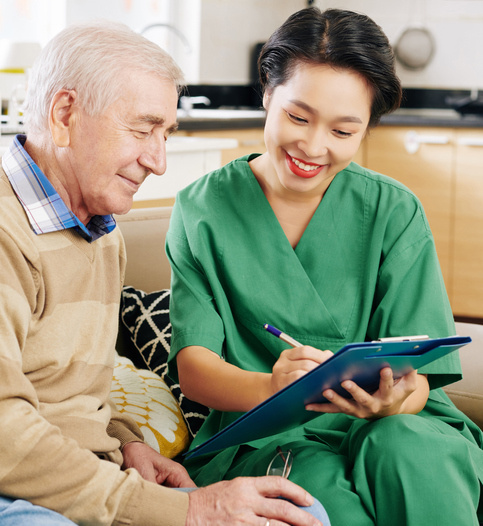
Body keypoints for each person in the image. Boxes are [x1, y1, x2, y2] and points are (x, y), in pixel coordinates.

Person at [0, 21, 327, 526]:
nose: (157, 161)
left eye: (166, 133)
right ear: (64, 114)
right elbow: (5, 431)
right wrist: (188, 510)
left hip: (91, 478)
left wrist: (126, 443)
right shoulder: (7, 231)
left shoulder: (100, 228)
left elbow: (66, 391)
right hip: (20, 492)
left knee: (301, 514)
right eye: (141, 129)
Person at [166, 7, 483, 526]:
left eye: (343, 131)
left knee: (414, 456)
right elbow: (195, 367)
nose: (313, 147)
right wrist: (272, 388)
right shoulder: (202, 210)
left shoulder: (393, 212)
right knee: (325, 506)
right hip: (269, 434)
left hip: (396, 425)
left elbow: (421, 374)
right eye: (297, 116)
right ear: (267, 92)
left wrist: (395, 400)